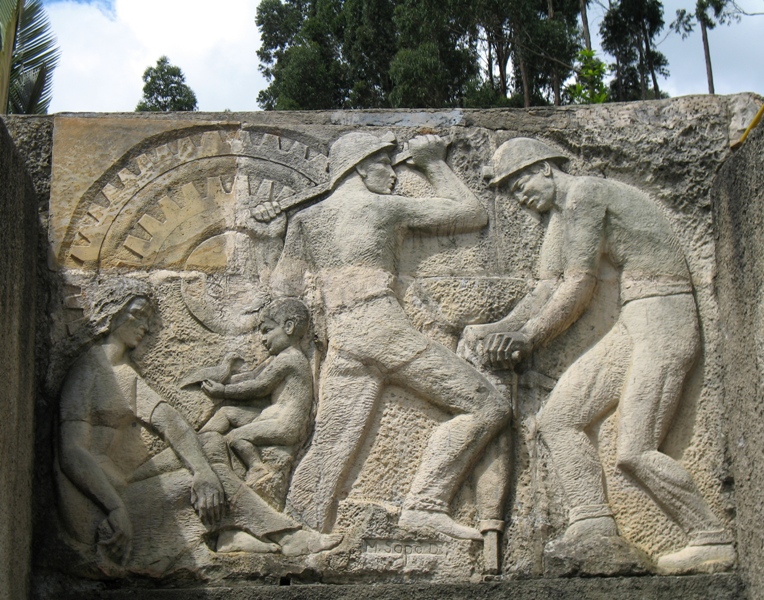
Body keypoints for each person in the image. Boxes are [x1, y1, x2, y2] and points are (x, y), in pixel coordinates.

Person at [462, 137, 735, 574]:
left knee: (635, 449)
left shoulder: (587, 193)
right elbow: (548, 287)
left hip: (665, 317)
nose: (520, 197)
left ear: (545, 168)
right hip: (634, 320)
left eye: (520, 184)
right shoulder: (559, 217)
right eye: (511, 191)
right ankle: (593, 523)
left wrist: (528, 338)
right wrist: (495, 330)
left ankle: (711, 536)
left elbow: (579, 285)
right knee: (558, 419)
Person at [253, 132, 511, 542]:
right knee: (488, 406)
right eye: (384, 164)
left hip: (342, 339)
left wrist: (271, 234)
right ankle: (425, 505)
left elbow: (284, 289)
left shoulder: (304, 219)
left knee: (329, 446)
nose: (392, 175)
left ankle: (295, 532)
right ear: (359, 167)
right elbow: (471, 212)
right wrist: (432, 162)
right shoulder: (382, 208)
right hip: (381, 328)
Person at [56, 280, 341, 573]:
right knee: (195, 482)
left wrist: (202, 470)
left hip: (122, 486)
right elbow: (72, 452)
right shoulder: (88, 370)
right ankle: (286, 535)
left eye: (148, 318)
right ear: (111, 315)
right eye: (137, 314)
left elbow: (171, 422)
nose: (145, 326)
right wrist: (115, 507)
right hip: (99, 507)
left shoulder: (123, 375)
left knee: (210, 444)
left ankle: (225, 533)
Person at [200, 298, 313, 490]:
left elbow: (260, 386)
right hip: (271, 416)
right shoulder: (278, 359)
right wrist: (226, 379)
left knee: (235, 437)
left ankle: (257, 467)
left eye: (267, 331)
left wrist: (224, 390)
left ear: (289, 327)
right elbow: (253, 375)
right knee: (227, 413)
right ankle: (201, 439)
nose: (262, 339)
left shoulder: (290, 359)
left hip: (286, 425)